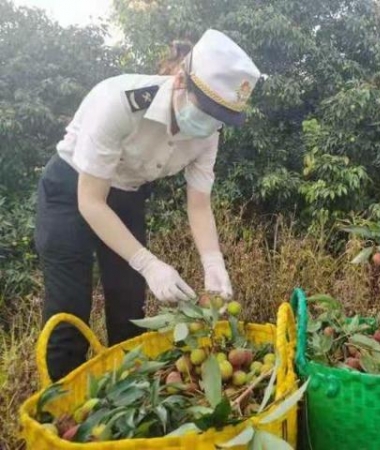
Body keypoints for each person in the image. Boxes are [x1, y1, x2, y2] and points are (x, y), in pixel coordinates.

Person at [34, 29, 261, 382]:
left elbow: (199, 205)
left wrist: (213, 262)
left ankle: (128, 401)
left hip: (126, 194)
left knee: (129, 308)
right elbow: (90, 201)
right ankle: (61, 412)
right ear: (181, 80)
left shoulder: (208, 134)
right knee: (70, 310)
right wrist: (149, 263)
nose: (210, 123)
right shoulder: (120, 101)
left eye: (221, 116)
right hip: (71, 188)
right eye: (208, 109)